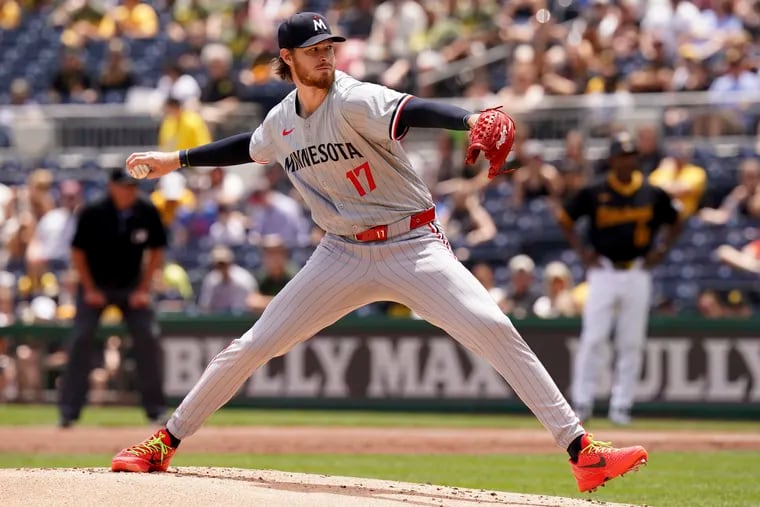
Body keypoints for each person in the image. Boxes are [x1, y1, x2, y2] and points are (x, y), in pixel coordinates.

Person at [111, 12, 648, 493]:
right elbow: (247, 147)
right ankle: (164, 442)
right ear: (287, 58)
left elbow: (413, 110)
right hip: (340, 253)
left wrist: (468, 120)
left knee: (493, 327)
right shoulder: (281, 121)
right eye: (314, 50)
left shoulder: (354, 98)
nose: (325, 55)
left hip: (412, 244)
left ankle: (582, 452)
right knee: (254, 344)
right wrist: (174, 159)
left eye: (329, 47)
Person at [556, 131, 684, 426]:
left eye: (631, 156)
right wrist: (582, 252)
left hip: (638, 270)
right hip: (603, 272)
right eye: (622, 156)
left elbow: (677, 219)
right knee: (594, 338)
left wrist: (661, 250)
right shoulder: (595, 191)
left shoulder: (652, 192)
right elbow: (564, 219)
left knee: (631, 342)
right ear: (612, 159)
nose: (627, 161)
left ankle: (621, 406)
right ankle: (583, 403)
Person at [58, 168, 168, 428]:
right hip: (95, 284)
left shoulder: (146, 210)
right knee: (81, 337)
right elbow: (77, 253)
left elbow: (156, 250)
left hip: (131, 286)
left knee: (148, 336)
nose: (128, 191)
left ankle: (156, 411)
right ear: (111, 186)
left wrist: (143, 288)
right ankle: (68, 413)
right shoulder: (93, 211)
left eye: (132, 186)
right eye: (124, 186)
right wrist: (89, 288)